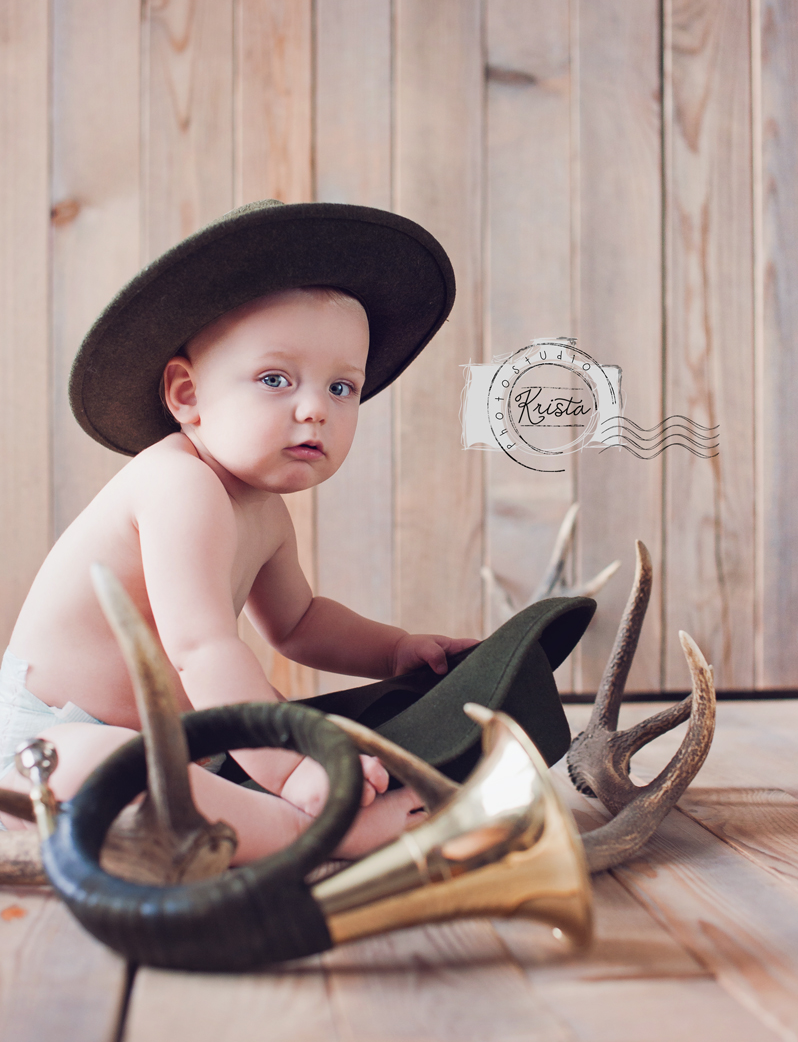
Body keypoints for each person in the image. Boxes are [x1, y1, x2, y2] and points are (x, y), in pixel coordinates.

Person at [0, 200, 595, 863]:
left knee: (345, 726)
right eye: (275, 379)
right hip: (45, 748)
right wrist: (290, 773)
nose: (315, 409)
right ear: (187, 395)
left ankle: (288, 799)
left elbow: (300, 623)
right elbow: (200, 648)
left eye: (342, 388)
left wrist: (394, 650)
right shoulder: (178, 485)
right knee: (98, 766)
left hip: (182, 743)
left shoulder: (261, 509)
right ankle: (306, 829)